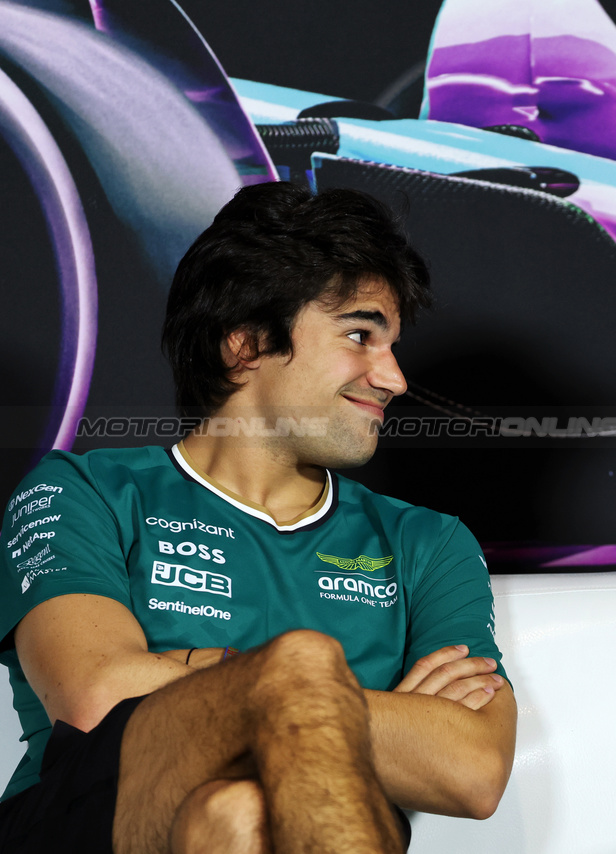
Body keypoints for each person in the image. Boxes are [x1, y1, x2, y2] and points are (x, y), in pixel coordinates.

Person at [0, 182, 516, 853]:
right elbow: (97, 695)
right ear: (244, 346)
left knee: (243, 816)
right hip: (85, 827)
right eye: (360, 335)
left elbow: (472, 770)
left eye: (390, 345)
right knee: (298, 672)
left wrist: (226, 679)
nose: (392, 378)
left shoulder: (427, 542)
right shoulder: (85, 490)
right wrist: (326, 693)